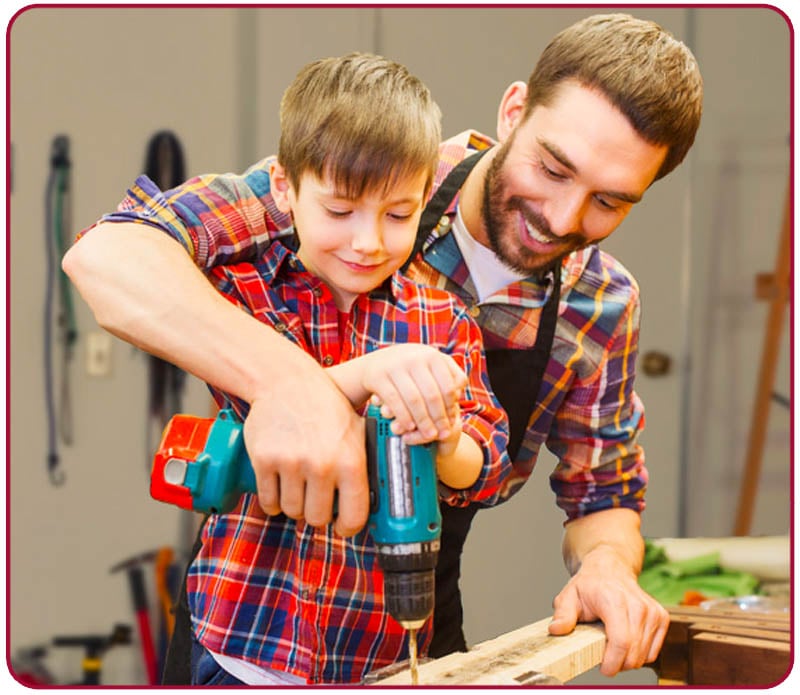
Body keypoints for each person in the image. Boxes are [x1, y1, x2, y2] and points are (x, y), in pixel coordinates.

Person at [63, 12, 704, 681]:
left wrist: (606, 564)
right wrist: (298, 386)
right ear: (514, 111)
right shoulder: (375, 173)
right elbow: (112, 255)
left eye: (609, 201)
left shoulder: (600, 302)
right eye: (552, 167)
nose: (564, 217)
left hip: (404, 612)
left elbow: (602, 494)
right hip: (251, 616)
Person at [68, 54, 512, 685]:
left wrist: (444, 440)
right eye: (340, 212)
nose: (368, 242)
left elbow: (487, 465)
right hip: (240, 637)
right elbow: (116, 261)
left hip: (373, 651)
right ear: (282, 187)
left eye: (397, 214)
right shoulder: (241, 291)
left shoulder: (442, 318)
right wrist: (366, 376)